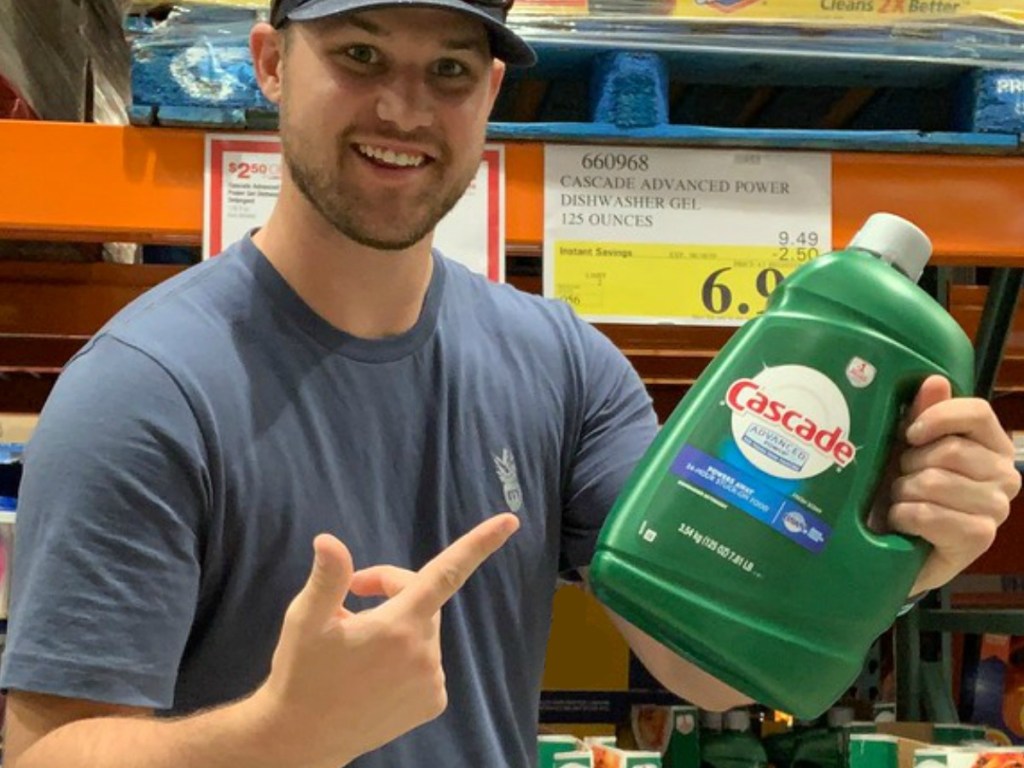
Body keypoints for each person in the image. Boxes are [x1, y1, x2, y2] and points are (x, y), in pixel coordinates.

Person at [0, 0, 1019, 766]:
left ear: (490, 92)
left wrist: (896, 563)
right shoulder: (145, 390)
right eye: (358, 56)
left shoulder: (562, 365)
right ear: (271, 63)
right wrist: (281, 733)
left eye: (448, 68)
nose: (404, 108)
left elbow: (697, 661)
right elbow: (47, 752)